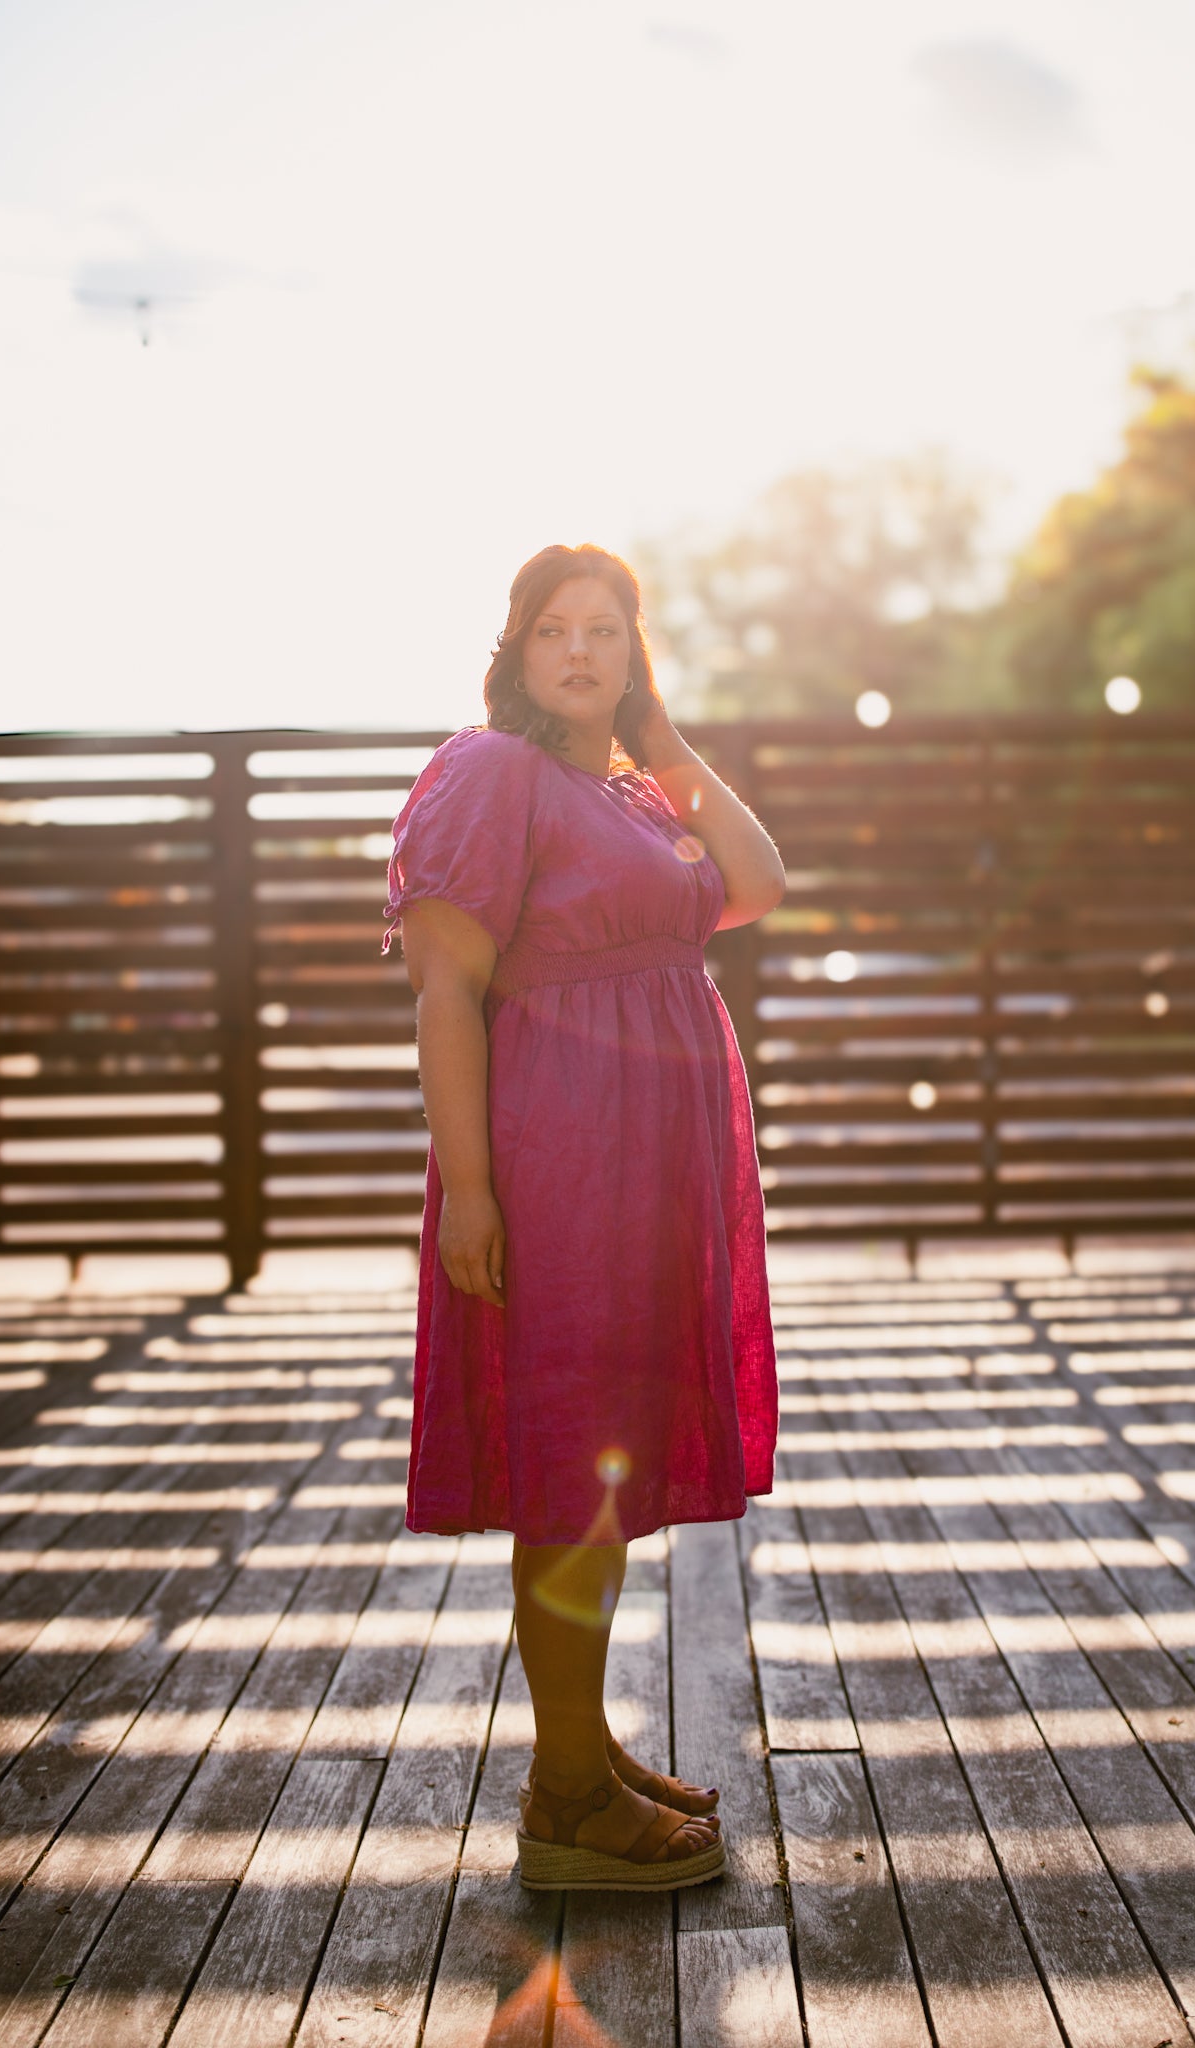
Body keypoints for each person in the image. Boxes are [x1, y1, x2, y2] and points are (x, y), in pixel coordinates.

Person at [383, 543, 783, 1893]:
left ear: (632, 652)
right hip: (560, 1157)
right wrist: (473, 1190)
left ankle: (584, 1752)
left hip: (649, 1166)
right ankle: (564, 1798)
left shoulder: (628, 789)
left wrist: (659, 736)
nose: (578, 651)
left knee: (601, 1467)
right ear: (516, 649)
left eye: (605, 630)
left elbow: (757, 880)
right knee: (571, 1469)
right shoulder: (490, 772)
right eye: (553, 629)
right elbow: (446, 992)